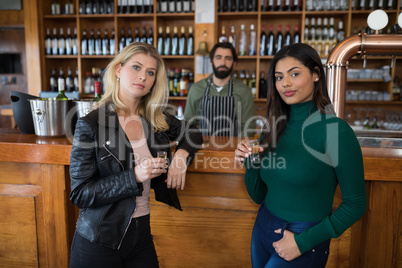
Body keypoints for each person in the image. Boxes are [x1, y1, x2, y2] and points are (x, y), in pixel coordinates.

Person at [69, 42, 203, 268]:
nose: (143, 77)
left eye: (150, 72)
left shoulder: (154, 119)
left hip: (141, 235)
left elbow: (193, 132)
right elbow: (80, 193)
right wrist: (135, 176)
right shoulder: (90, 125)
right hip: (99, 240)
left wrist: (180, 156)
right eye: (136, 68)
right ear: (119, 70)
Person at [234, 43, 367, 267]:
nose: (285, 83)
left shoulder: (336, 131)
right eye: (278, 77)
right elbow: (258, 196)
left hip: (303, 238)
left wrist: (303, 242)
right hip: (263, 228)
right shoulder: (273, 128)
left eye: (294, 74)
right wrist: (251, 160)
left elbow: (356, 204)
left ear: (316, 75)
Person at [184, 42, 256, 137]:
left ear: (234, 63)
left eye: (228, 58)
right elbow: (188, 125)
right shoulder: (196, 89)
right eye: (218, 58)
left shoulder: (243, 91)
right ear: (211, 61)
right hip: (203, 148)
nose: (223, 62)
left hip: (233, 150)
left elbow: (249, 128)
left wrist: (235, 146)